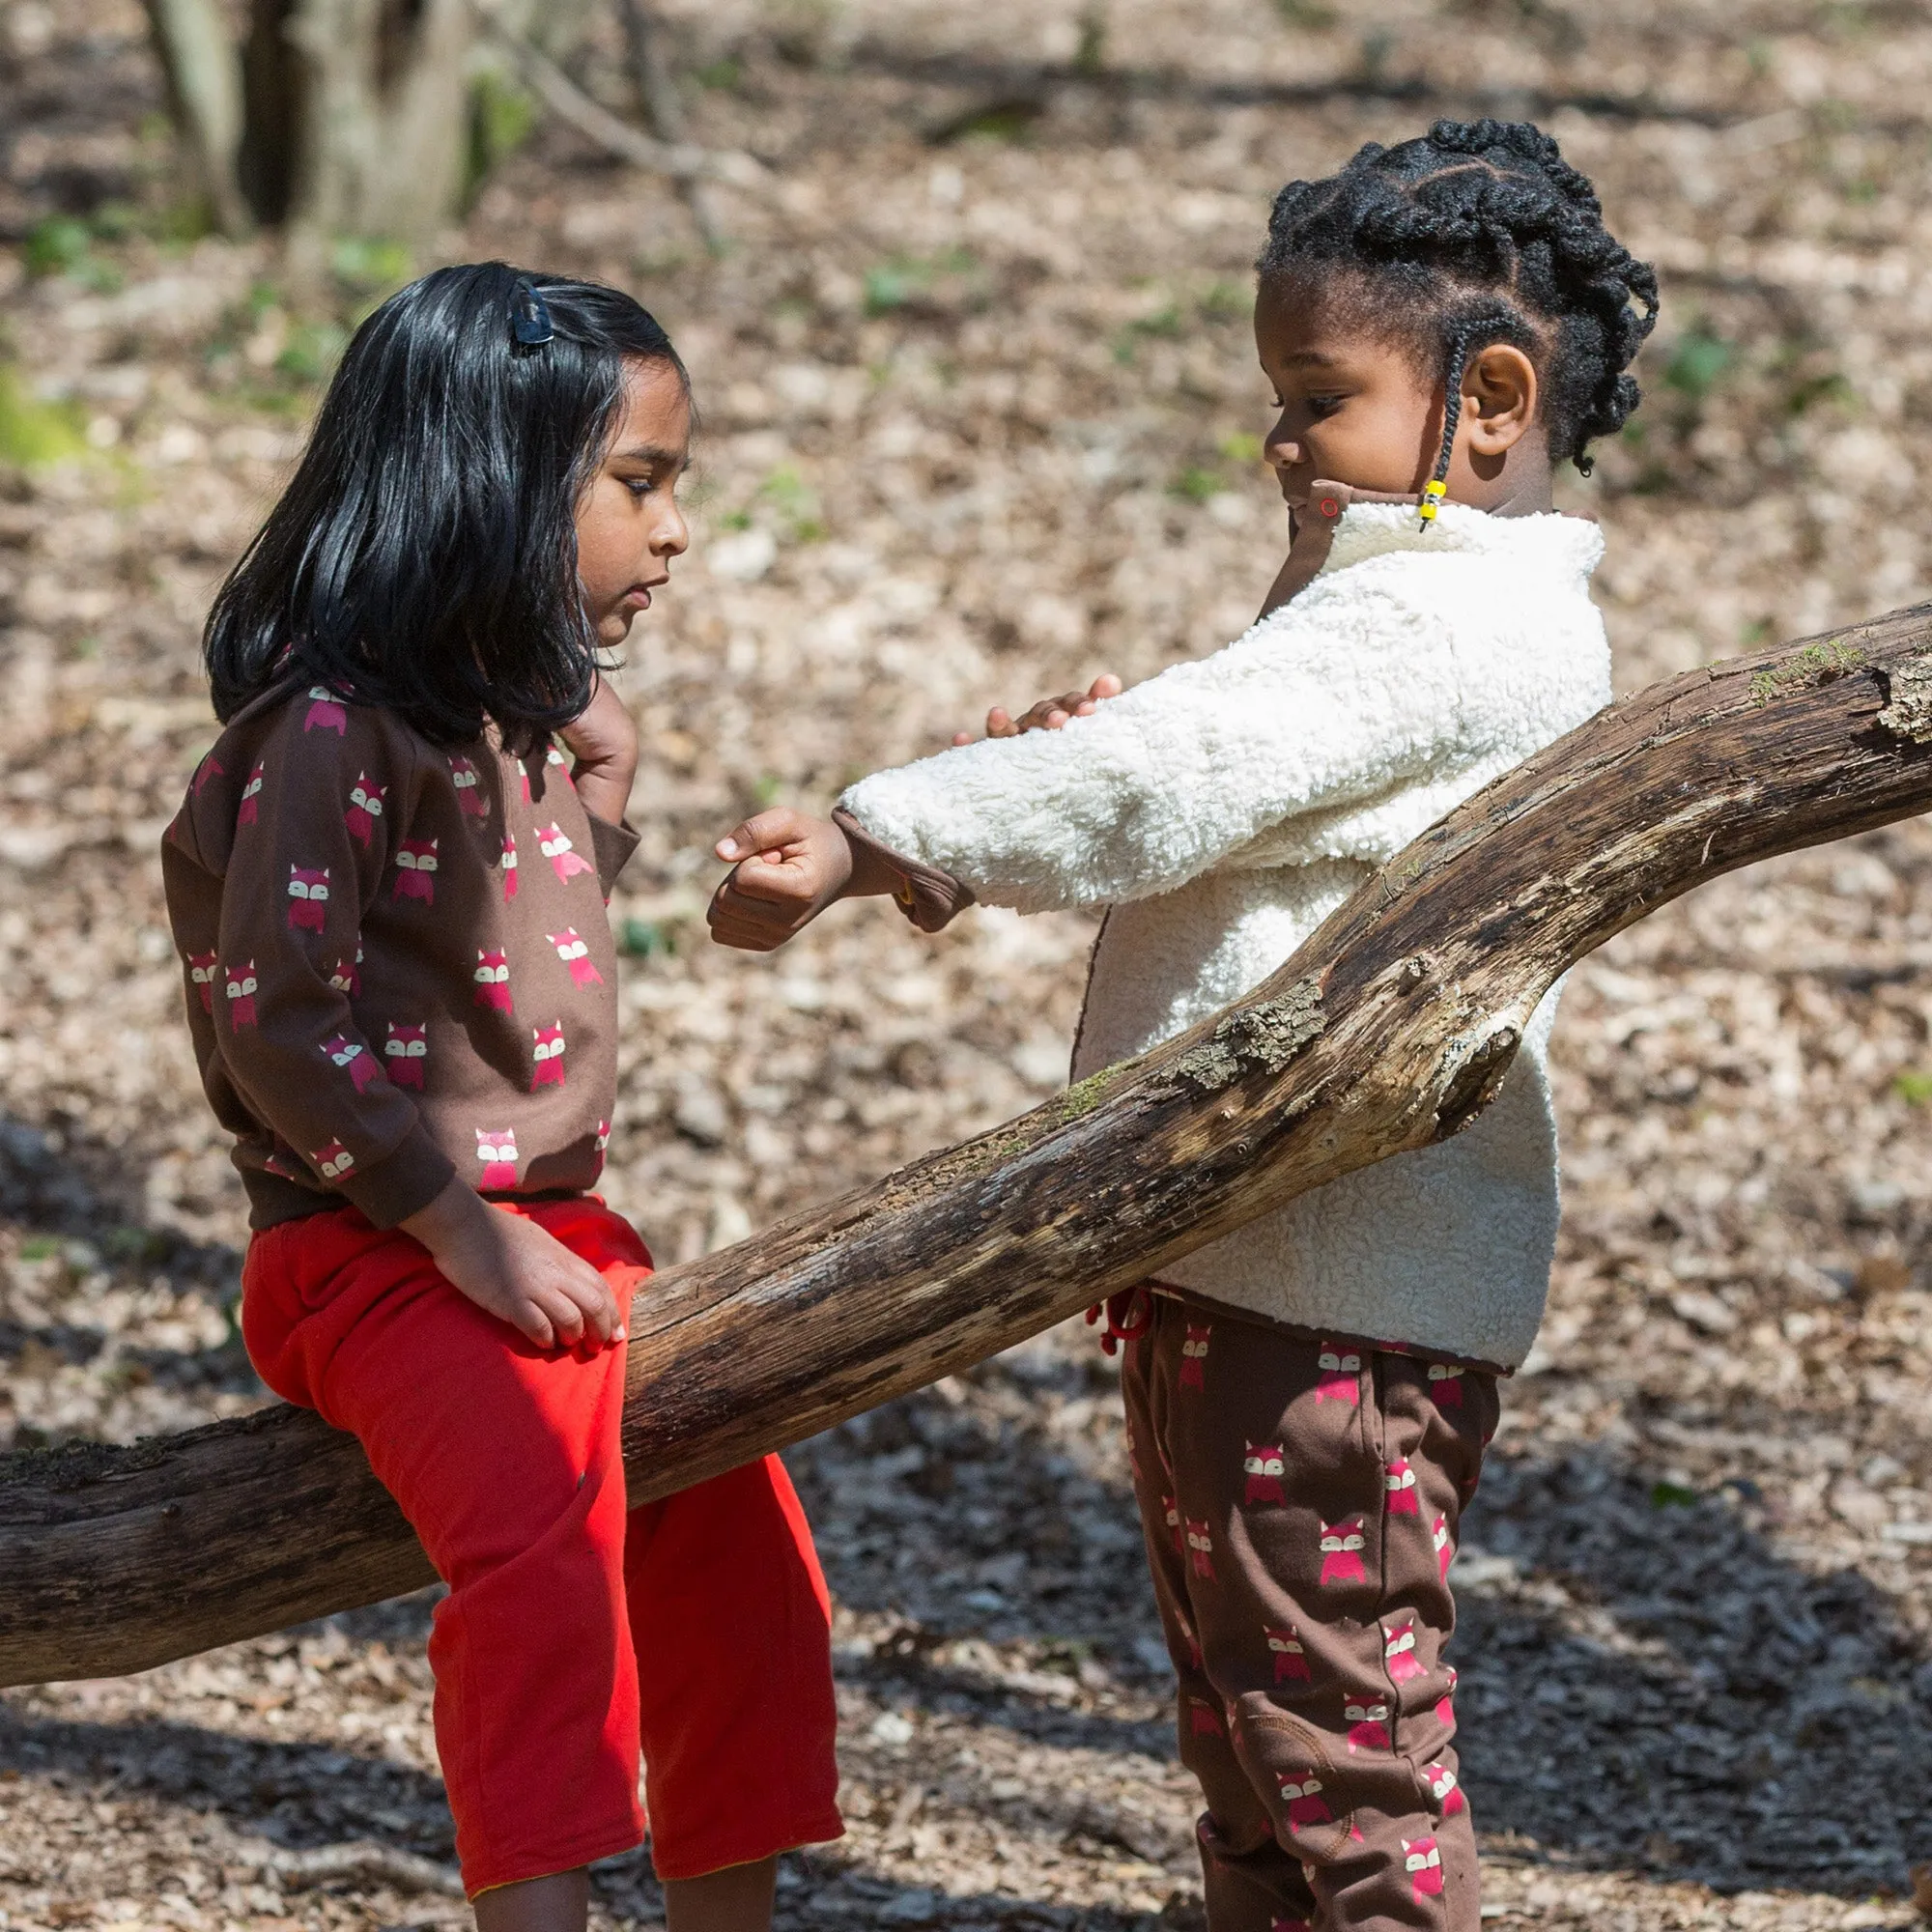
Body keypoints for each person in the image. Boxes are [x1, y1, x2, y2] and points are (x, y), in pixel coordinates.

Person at [703, 121, 1658, 1932]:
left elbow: (1181, 774)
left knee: (1340, 1750)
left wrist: (876, 831)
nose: (1278, 440)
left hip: (1340, 1295)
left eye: (1318, 394)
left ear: (1487, 398)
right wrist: (1036, 788)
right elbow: (1214, 779)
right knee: (1251, 1739)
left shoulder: (1453, 618)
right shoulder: (1409, 604)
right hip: (1258, 1264)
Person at [163, 264, 841, 1932]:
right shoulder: (328, 731)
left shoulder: (510, 721)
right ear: (490, 486)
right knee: (540, 1543)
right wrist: (459, 1232)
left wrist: (604, 806)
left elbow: (480, 962)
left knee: (739, 1536)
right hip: (368, 1248)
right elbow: (283, 1029)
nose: (676, 530)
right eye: (640, 484)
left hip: (550, 1233)